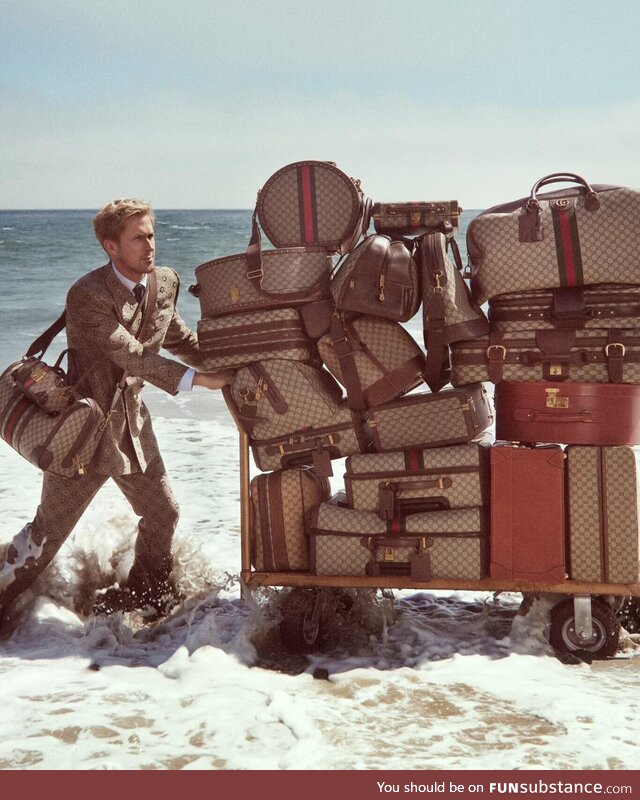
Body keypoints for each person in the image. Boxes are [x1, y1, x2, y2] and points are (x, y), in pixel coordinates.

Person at [0, 198, 233, 625]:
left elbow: (177, 337)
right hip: (82, 432)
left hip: (132, 427)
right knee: (46, 536)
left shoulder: (164, 283)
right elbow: (131, 355)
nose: (150, 246)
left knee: (163, 513)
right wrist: (199, 381)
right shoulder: (86, 295)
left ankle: (147, 599)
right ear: (111, 246)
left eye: (151, 234)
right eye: (138, 238)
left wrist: (227, 364)